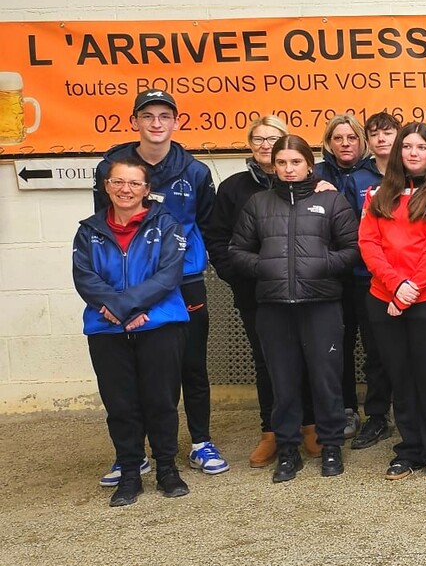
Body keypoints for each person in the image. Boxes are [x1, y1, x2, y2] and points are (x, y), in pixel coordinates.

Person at [92, 89, 227, 481]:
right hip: (131, 285)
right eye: (147, 116)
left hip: (184, 281)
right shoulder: (111, 168)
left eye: (164, 116)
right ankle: (134, 454)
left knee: (192, 366)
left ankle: (200, 442)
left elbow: (209, 226)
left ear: (176, 122)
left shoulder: (196, 172)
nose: (156, 123)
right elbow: (102, 226)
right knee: (134, 371)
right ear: (134, 121)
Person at [230, 135, 361, 482]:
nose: (289, 169)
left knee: (326, 379)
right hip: (274, 307)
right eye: (282, 163)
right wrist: (264, 267)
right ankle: (288, 450)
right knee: (283, 382)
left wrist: (323, 264)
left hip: (321, 304)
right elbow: (237, 251)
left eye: (296, 162)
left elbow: (353, 248)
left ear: (309, 165)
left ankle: (330, 445)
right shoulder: (258, 203)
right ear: (274, 166)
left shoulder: (331, 201)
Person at [203, 115, 318, 469]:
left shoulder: (313, 185)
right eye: (259, 139)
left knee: (308, 356)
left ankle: (310, 425)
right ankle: (271, 431)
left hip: (306, 291)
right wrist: (236, 276)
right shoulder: (233, 188)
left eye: (274, 139)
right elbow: (218, 238)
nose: (267, 146)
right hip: (256, 292)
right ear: (250, 145)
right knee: (267, 360)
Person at [75, 159, 192, 507]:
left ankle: (167, 469)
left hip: (158, 325)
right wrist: (122, 309)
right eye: (118, 182)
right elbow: (85, 278)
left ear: (146, 189)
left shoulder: (168, 225)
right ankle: (129, 472)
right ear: (107, 186)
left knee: (161, 401)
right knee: (120, 405)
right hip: (106, 329)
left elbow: (168, 275)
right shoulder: (88, 231)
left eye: (134, 183)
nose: (125, 189)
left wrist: (129, 307)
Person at [359, 122, 426, 481]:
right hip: (385, 297)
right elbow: (368, 243)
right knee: (401, 378)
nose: (413, 153)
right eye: (407, 147)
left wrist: (408, 291)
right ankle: (410, 449)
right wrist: (395, 285)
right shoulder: (376, 195)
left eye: (421, 147)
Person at [315, 114, 384, 439]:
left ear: (362, 142)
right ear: (329, 143)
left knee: (375, 347)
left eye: (352, 138)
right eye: (338, 138)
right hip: (329, 275)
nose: (345, 144)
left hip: (367, 275)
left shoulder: (375, 175)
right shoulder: (315, 173)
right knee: (336, 346)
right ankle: (343, 408)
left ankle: (378, 414)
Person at [352, 111, 402, 449]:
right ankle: (378, 416)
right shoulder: (356, 178)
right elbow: (350, 229)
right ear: (367, 141)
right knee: (376, 353)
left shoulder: (413, 172)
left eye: (388, 132)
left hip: (413, 281)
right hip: (368, 279)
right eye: (374, 134)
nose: (381, 138)